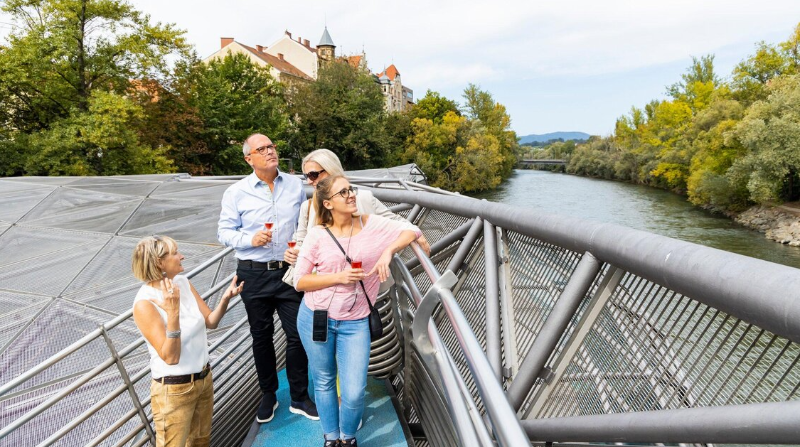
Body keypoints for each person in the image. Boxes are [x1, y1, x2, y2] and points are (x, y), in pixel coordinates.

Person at [294, 175, 423, 447]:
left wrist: (388, 251)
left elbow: (411, 230)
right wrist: (339, 277)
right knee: (324, 380)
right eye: (343, 192)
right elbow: (300, 281)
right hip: (316, 317)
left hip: (355, 322)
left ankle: (347, 435)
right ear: (328, 203)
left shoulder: (371, 224)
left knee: (353, 392)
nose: (351, 195)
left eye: (350, 189)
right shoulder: (318, 234)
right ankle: (332, 439)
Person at [217, 133, 318, 424]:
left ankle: (299, 397)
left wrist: (299, 249)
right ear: (249, 158)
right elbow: (224, 232)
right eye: (262, 149)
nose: (270, 151)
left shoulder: (296, 186)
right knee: (260, 337)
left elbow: (303, 224)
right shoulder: (236, 192)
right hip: (254, 273)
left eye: (271, 146)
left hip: (288, 273)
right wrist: (250, 238)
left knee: (298, 334)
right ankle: (269, 394)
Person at [131, 235, 244, 447]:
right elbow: (170, 357)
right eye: (175, 253)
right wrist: (172, 312)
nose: (181, 256)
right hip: (174, 391)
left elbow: (210, 322)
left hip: (203, 379)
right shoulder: (144, 303)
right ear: (159, 262)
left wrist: (226, 299)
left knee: (201, 443)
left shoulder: (182, 282)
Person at [283, 148, 430, 268]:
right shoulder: (308, 206)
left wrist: (415, 233)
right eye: (306, 176)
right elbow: (301, 241)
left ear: (331, 170)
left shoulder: (362, 199)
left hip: (366, 284)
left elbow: (397, 222)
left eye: (314, 175)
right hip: (324, 287)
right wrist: (295, 251)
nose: (309, 181)